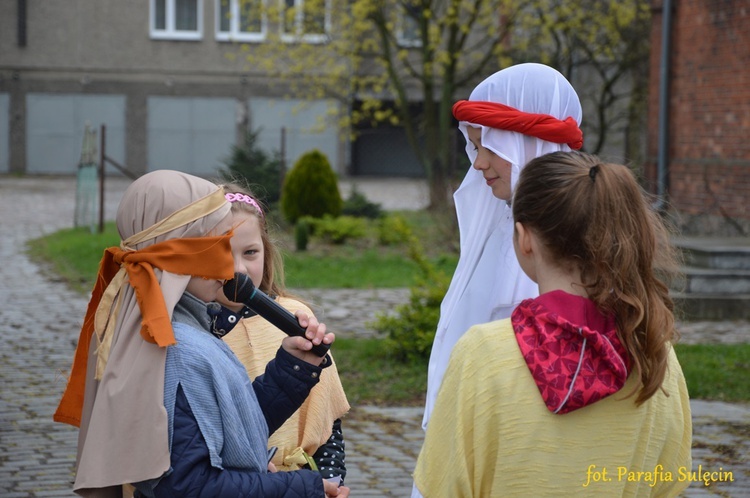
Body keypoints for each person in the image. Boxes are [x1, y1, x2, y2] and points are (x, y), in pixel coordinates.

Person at [53, 170, 350, 497]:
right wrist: (302, 489)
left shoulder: (177, 332)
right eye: (215, 246)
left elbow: (232, 432)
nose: (230, 267)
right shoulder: (179, 350)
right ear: (176, 249)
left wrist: (293, 368)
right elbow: (189, 486)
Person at [413, 151, 692, 496]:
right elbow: (668, 485)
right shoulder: (654, 352)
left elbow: (444, 488)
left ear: (525, 237)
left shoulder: (483, 355)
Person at [422, 62, 585, 433]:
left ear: (525, 143)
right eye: (475, 147)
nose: (478, 163)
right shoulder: (503, 225)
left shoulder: (557, 243)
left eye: (488, 147)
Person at [210, 181, 350, 482]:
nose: (240, 269)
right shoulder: (190, 329)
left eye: (250, 252)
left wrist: (330, 478)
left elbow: (326, 421)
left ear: (266, 251)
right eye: (222, 253)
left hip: (297, 480)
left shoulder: (294, 316)